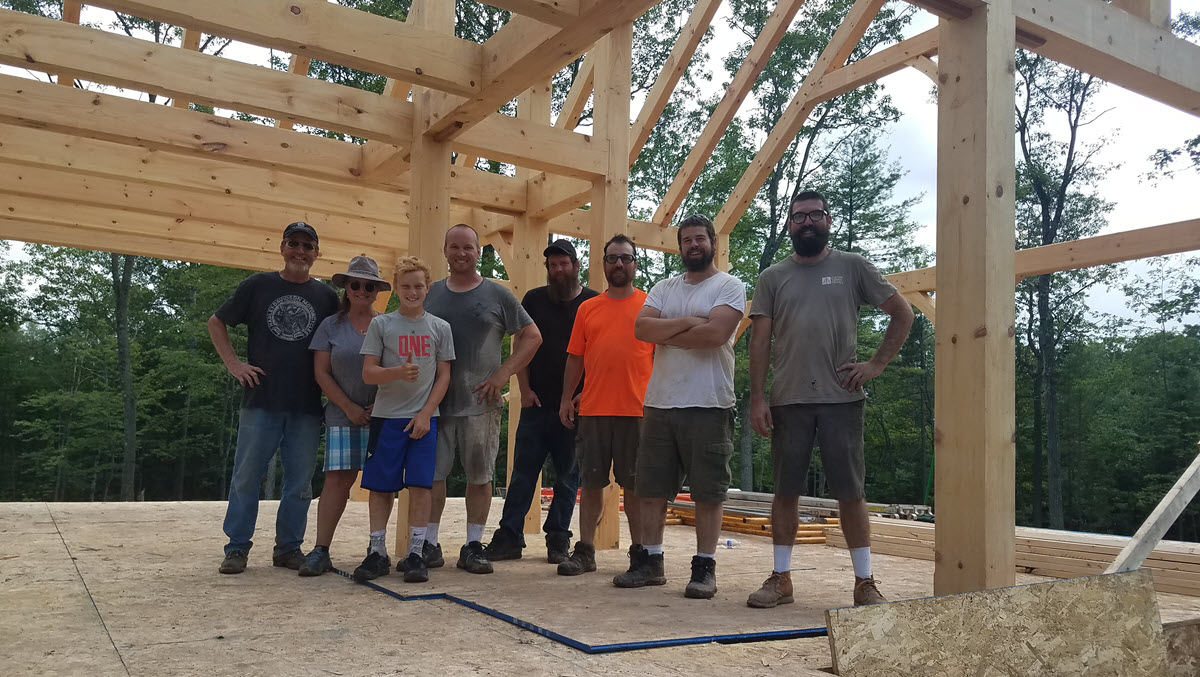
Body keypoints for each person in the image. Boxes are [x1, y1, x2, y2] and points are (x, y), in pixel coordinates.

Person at [746, 190, 913, 608]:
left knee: (850, 493)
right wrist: (757, 399)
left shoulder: (852, 266)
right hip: (788, 399)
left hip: (843, 398)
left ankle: (864, 583)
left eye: (815, 215)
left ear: (828, 220)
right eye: (799, 216)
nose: (807, 222)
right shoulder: (772, 277)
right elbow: (760, 340)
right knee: (785, 491)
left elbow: (903, 312)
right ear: (788, 225)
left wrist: (875, 364)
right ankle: (781, 578)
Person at [210, 222, 339, 574]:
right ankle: (237, 548)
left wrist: (339, 393)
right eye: (294, 244)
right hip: (261, 400)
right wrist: (234, 364)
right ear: (282, 247)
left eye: (308, 246)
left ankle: (288, 548)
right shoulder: (257, 286)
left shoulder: (327, 297)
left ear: (317, 254)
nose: (300, 251)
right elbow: (217, 322)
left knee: (299, 483)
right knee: (246, 477)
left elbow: (340, 344)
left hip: (308, 404)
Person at [629, 214, 745, 598]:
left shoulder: (729, 286)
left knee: (708, 493)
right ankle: (651, 563)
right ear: (679, 247)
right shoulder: (664, 287)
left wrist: (671, 328)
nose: (693, 246)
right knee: (651, 489)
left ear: (713, 242)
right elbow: (642, 330)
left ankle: (704, 568)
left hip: (709, 404)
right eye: (686, 241)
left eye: (700, 239)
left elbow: (715, 335)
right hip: (661, 403)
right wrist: (691, 322)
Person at [423, 224, 542, 575]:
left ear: (479, 252)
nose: (461, 253)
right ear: (445, 251)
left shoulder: (497, 294)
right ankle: (429, 543)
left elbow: (532, 336)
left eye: (468, 247)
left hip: (481, 403)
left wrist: (503, 375)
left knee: (480, 475)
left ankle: (473, 545)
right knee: (433, 476)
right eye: (454, 247)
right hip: (435, 403)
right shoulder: (429, 294)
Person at [484, 239, 597, 564]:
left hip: (575, 409)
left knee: (567, 477)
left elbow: (596, 354)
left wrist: (581, 396)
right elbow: (521, 342)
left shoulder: (591, 303)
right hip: (535, 404)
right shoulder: (534, 299)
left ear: (576, 266)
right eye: (553, 265)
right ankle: (509, 537)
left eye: (564, 264)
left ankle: (558, 541)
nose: (558, 270)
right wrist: (523, 386)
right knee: (522, 474)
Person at [556, 234, 655, 578]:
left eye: (625, 258)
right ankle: (585, 551)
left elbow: (663, 359)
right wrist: (567, 398)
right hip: (594, 411)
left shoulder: (650, 306)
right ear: (603, 264)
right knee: (591, 485)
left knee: (637, 490)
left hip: (638, 412)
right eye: (612, 258)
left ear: (635, 264)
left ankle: (641, 555)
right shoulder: (588, 308)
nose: (618, 264)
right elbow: (575, 359)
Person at [352, 256, 455, 583]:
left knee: (421, 486)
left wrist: (426, 413)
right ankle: (377, 551)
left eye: (419, 286)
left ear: (427, 289)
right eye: (406, 286)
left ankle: (415, 552)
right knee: (381, 487)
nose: (413, 292)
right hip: (386, 419)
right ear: (396, 288)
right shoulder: (381, 325)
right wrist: (397, 372)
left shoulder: (440, 327)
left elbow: (444, 376)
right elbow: (368, 373)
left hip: (424, 421)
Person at [297, 256, 388, 576]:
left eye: (369, 285)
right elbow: (321, 373)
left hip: (382, 416)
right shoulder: (330, 326)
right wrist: (348, 407)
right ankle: (321, 549)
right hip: (340, 414)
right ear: (346, 288)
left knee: (381, 483)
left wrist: (381, 405)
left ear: (377, 290)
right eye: (356, 284)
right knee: (337, 481)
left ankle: (376, 550)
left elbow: (394, 371)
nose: (362, 290)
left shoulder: (387, 324)